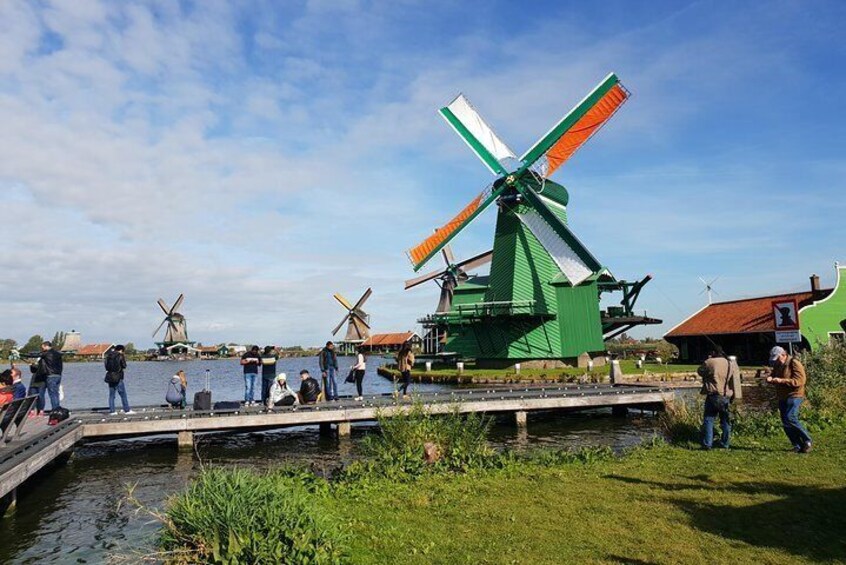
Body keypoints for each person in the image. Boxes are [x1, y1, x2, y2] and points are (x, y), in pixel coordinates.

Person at [767, 346, 812, 453]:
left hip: (795, 395)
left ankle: (807, 440)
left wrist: (781, 381)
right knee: (785, 422)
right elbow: (774, 374)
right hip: (782, 396)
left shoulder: (794, 363)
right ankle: (797, 445)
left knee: (790, 417)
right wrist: (770, 378)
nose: (776, 361)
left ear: (783, 354)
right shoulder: (778, 364)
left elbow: (800, 381)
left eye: (777, 358)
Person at [696, 349, 735, 449]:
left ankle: (708, 444)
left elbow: (700, 371)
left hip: (713, 395)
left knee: (709, 419)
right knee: (725, 421)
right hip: (726, 395)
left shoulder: (710, 362)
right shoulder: (730, 363)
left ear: (713, 352)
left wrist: (708, 360)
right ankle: (725, 443)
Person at [31, 341, 63, 412]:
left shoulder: (47, 353)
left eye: (43, 348)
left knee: (52, 394)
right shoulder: (58, 354)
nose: (42, 349)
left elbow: (36, 355)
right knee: (56, 393)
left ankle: (55, 409)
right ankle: (57, 408)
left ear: (46, 346)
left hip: (51, 375)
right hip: (58, 375)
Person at [105, 345, 134, 415]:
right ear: (121, 350)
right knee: (123, 394)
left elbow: (106, 366)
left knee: (111, 395)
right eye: (123, 351)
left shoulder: (108, 356)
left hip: (110, 377)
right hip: (118, 377)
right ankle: (127, 410)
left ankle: (112, 411)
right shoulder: (120, 356)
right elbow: (124, 365)